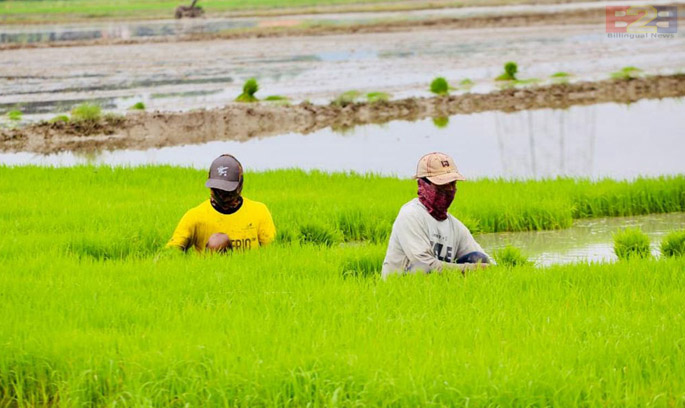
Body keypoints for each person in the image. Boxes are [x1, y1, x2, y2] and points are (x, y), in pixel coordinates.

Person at [381, 152, 491, 278]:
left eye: (452, 184)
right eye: (442, 184)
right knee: (423, 268)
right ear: (422, 184)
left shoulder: (455, 226)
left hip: (434, 289)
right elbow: (424, 264)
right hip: (401, 287)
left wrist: (488, 268)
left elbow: (486, 262)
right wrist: (472, 269)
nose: (449, 189)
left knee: (478, 258)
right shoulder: (411, 215)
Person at [166, 154, 276, 253]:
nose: (223, 195)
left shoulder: (258, 211)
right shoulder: (195, 217)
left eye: (227, 190)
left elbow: (273, 253)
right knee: (218, 241)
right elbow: (171, 253)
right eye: (218, 189)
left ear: (239, 185)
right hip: (211, 273)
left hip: (248, 272)